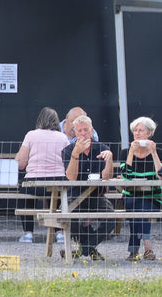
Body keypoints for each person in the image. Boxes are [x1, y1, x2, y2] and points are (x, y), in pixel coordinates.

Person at [61, 113, 115, 260]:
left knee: (112, 218)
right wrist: (76, 154)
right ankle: (90, 249)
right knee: (67, 217)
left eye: (86, 130)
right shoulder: (68, 150)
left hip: (96, 195)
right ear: (75, 132)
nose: (83, 133)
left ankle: (84, 249)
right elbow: (71, 177)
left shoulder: (102, 148)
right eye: (80, 131)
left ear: (92, 130)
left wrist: (109, 160)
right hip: (75, 195)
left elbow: (107, 177)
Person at [15, 106, 68, 243]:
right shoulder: (63, 138)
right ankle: (60, 233)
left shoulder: (31, 135)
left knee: (25, 196)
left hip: (33, 182)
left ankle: (28, 233)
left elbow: (20, 163)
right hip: (58, 181)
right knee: (56, 197)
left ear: (40, 120)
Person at [122, 116, 162, 261]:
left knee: (140, 210)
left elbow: (161, 176)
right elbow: (126, 177)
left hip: (152, 196)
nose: (137, 133)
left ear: (149, 134)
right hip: (131, 195)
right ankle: (148, 248)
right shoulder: (126, 152)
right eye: (135, 130)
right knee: (136, 207)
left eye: (141, 131)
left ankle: (134, 252)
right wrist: (131, 153)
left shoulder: (158, 152)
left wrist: (153, 152)